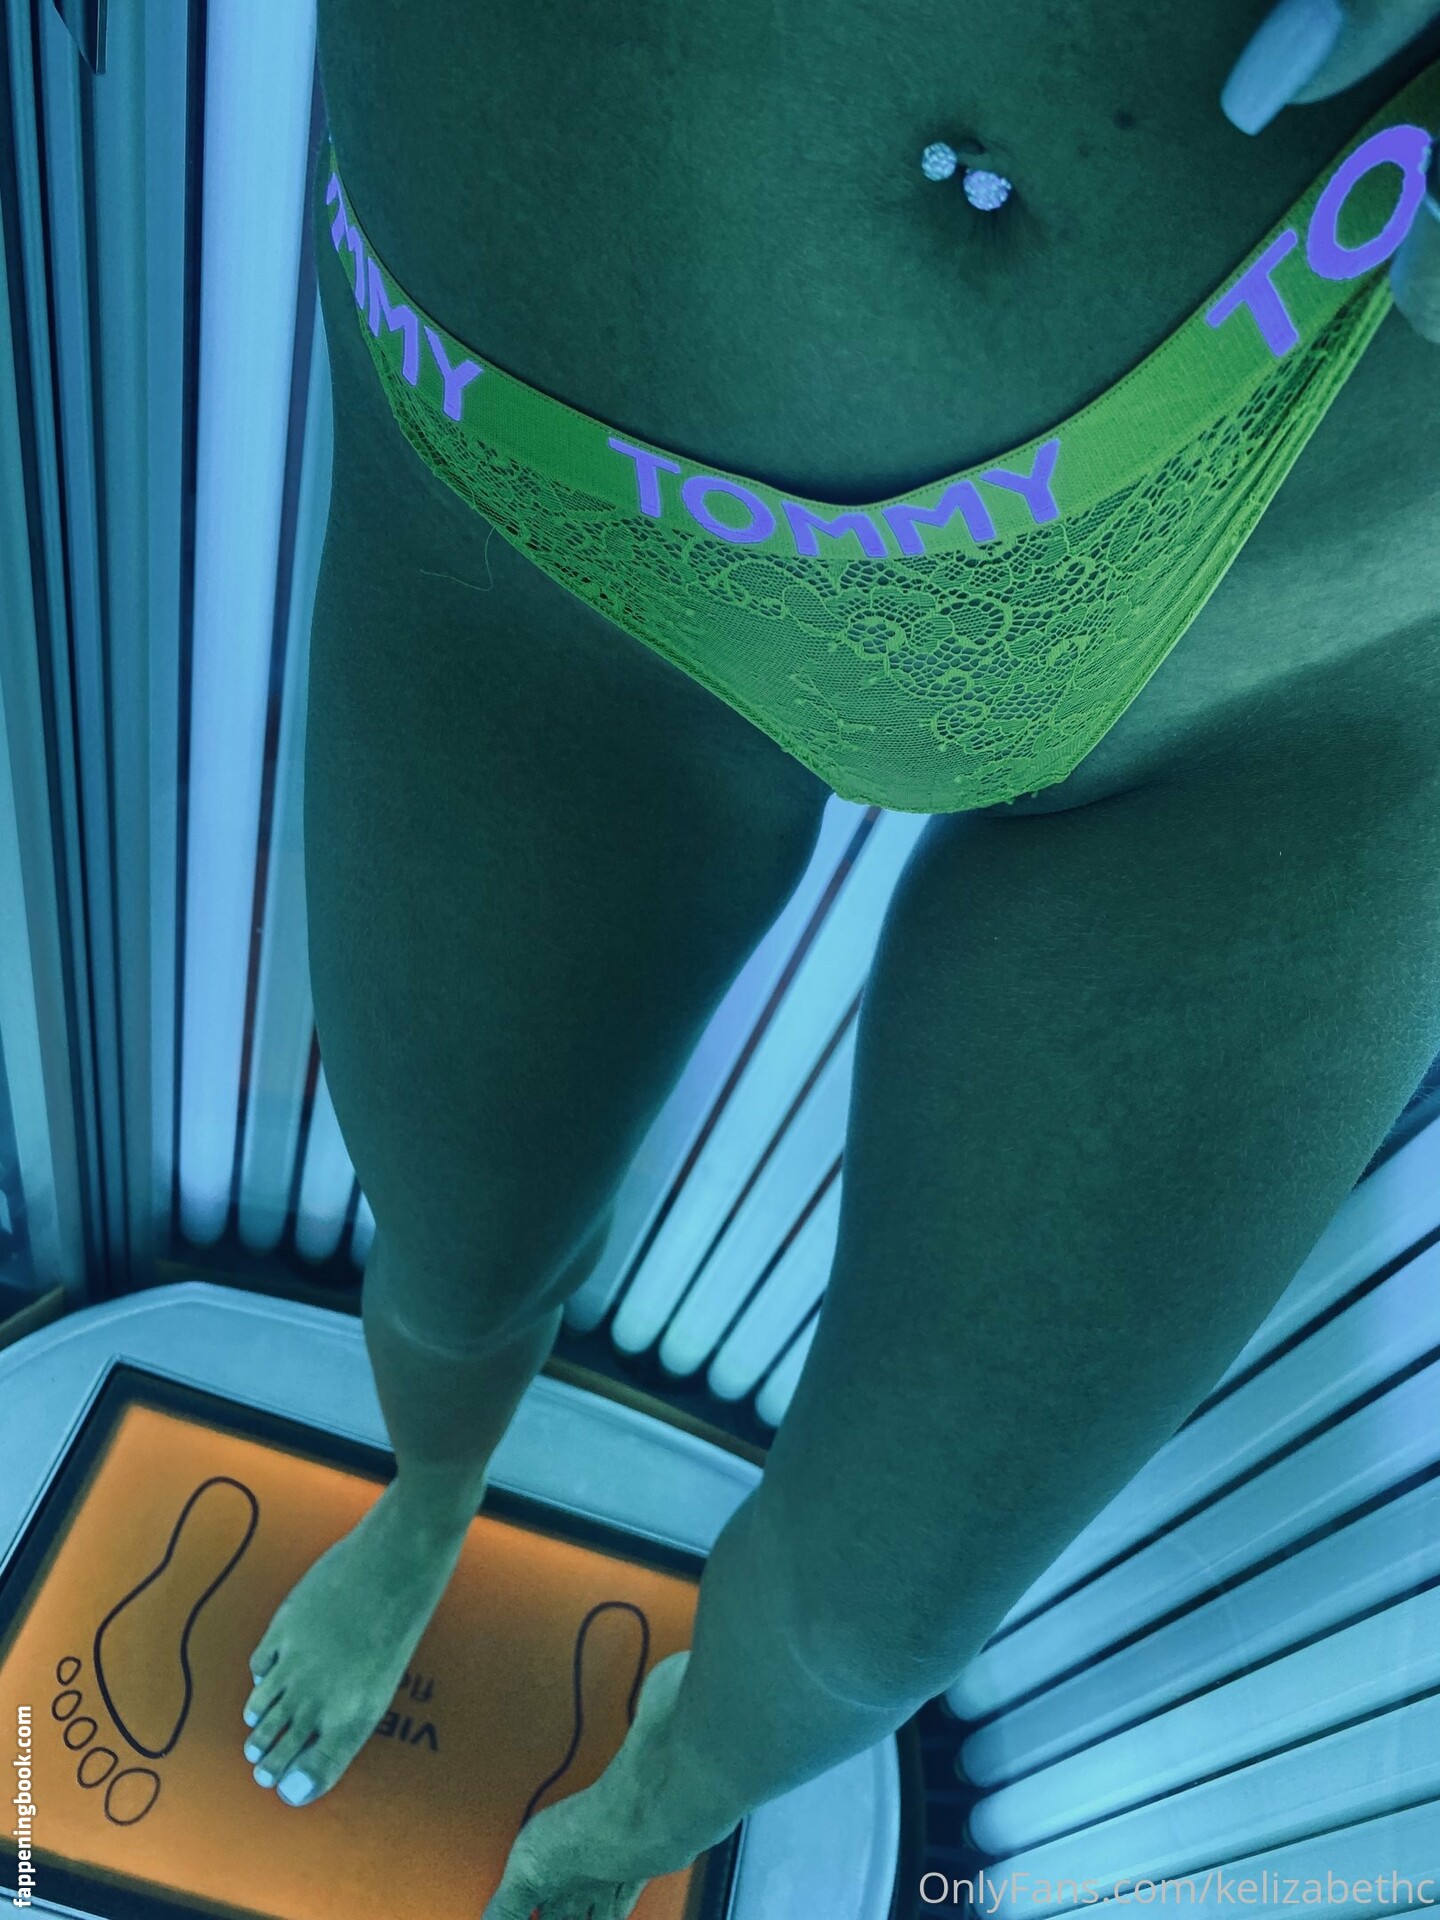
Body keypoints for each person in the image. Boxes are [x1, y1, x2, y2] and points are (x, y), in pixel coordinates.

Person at [239, 1, 1440, 1913]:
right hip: (539, 464)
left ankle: (630, 1821)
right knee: (454, 1252)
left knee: (879, 1624)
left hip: (1308, 651)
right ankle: (425, 1506)